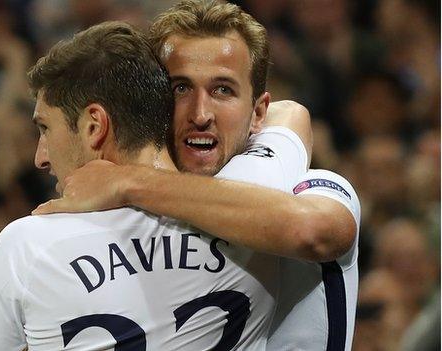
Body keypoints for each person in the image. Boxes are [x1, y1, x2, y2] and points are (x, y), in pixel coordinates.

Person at [33, 1, 361, 350]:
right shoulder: (128, 213)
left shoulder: (304, 188)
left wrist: (127, 182)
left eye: (223, 90)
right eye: (181, 88)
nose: (201, 114)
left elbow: (313, 232)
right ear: (153, 98)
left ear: (258, 112)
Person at [0, 21, 297, 350]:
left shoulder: (28, 246)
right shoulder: (262, 207)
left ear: (94, 127)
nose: (40, 158)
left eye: (45, 129)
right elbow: (293, 117)